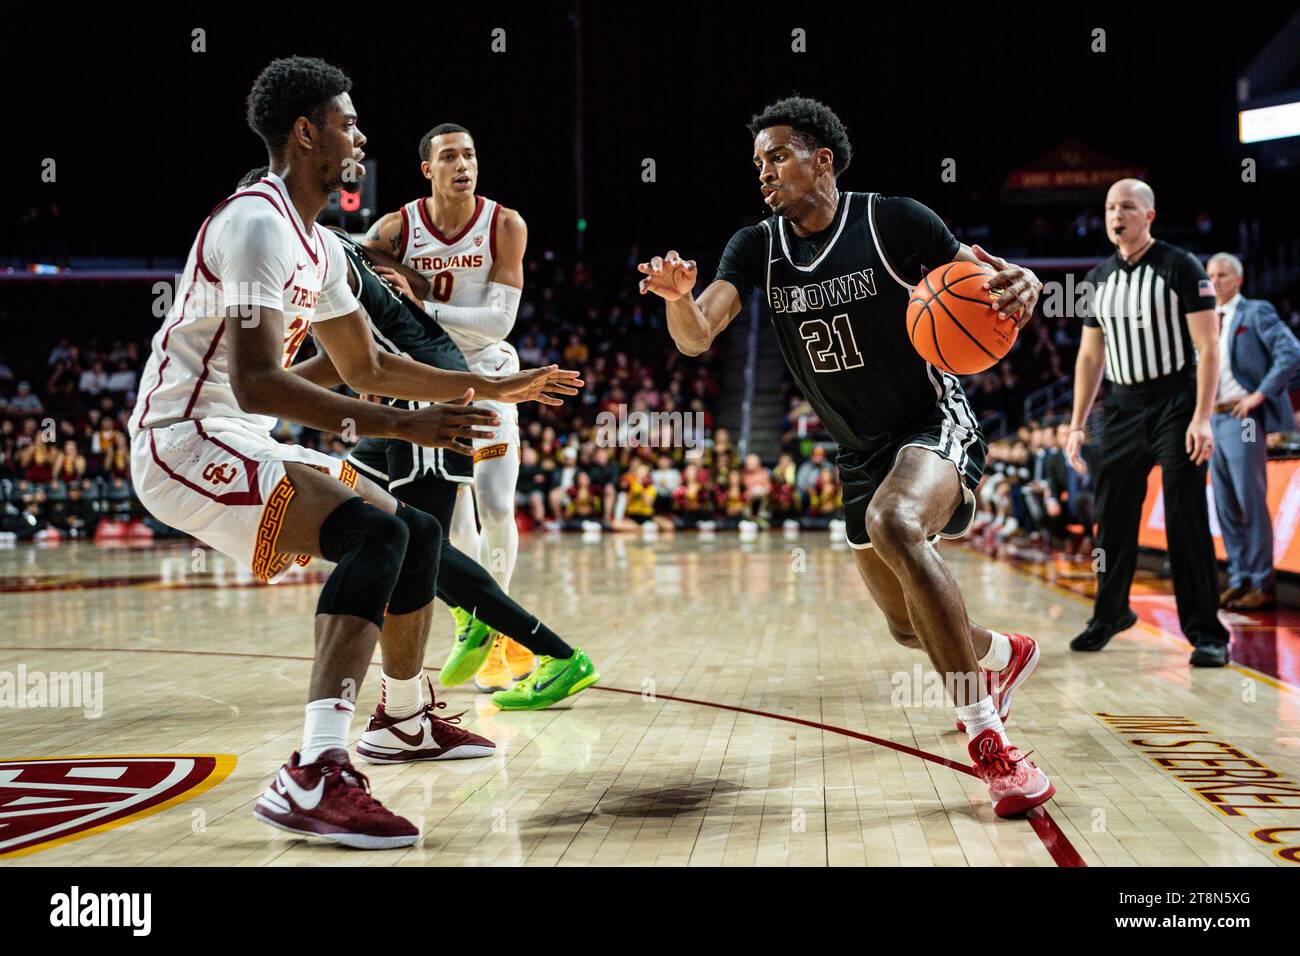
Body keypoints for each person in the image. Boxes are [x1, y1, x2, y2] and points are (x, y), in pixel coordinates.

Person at [128, 57, 580, 849]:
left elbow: (365, 365)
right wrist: (408, 427)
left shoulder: (324, 247)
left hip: (235, 430)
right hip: (179, 438)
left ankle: (402, 720)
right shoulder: (256, 222)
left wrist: (484, 386)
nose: (361, 136)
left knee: (417, 533)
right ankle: (313, 770)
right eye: (347, 121)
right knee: (372, 536)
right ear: (306, 133)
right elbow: (261, 382)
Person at [637, 95, 1053, 818]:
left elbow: (993, 284)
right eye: (757, 162)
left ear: (821, 159)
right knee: (904, 625)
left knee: (897, 524)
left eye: (776, 156)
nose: (763, 172)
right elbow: (699, 334)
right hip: (857, 450)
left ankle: (990, 743)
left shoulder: (894, 219)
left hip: (930, 420)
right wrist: (679, 297)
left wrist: (1030, 284)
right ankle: (1000, 653)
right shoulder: (756, 246)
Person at [362, 123, 535, 690]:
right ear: (427, 169)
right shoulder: (393, 230)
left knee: (495, 503)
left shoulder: (505, 224)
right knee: (450, 522)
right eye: (451, 156)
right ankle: (477, 624)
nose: (464, 165)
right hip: (428, 382)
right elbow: (355, 294)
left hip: (490, 375)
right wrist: (362, 370)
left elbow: (498, 321)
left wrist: (420, 308)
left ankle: (502, 630)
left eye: (471, 155)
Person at [1065, 179, 1231, 667]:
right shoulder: (1097, 279)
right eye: (1111, 207)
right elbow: (1090, 356)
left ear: (1149, 216)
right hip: (1121, 406)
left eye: (1128, 207)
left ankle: (1207, 632)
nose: (1117, 215)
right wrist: (1077, 424)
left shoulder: (1181, 266)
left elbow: (1208, 347)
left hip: (1176, 400)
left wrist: (1202, 416)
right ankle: (1110, 613)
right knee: (1111, 516)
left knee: (1185, 515)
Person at [1206, 252, 1300, 612]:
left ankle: (1262, 582)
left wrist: (1259, 394)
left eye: (1223, 275)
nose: (1215, 281)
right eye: (1210, 275)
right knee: (1226, 505)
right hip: (1213, 418)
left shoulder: (1255, 311)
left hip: (1244, 417)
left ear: (1239, 280)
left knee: (1249, 500)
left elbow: (1290, 351)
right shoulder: (1205, 320)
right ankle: (1240, 576)